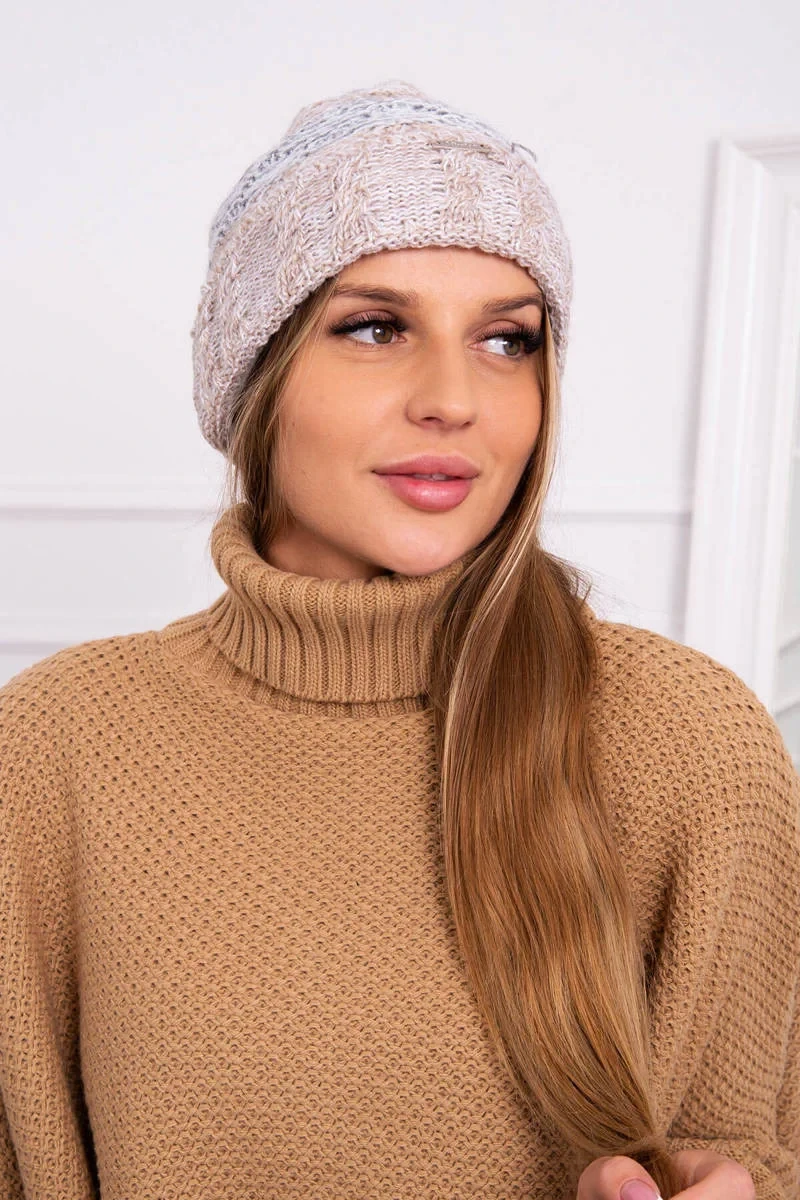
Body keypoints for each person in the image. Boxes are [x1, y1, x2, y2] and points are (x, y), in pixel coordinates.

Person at [0, 80, 797, 1200]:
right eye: (375, 328)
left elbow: (754, 1141)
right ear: (256, 377)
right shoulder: (56, 743)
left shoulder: (689, 742)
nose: (453, 399)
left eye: (506, 340)